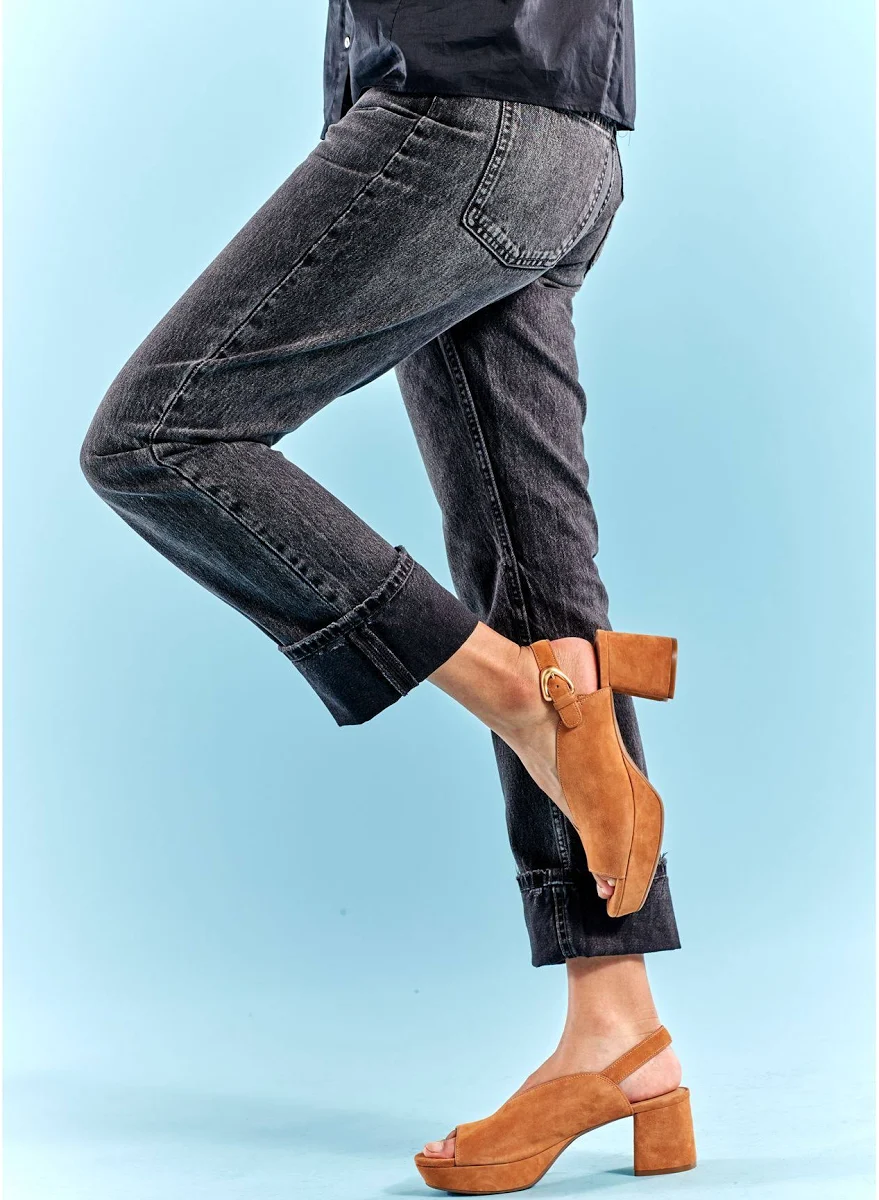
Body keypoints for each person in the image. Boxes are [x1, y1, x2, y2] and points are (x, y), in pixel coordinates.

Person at [80, 1, 696, 1190]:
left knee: (157, 437)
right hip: (570, 137)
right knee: (537, 571)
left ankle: (521, 696)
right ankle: (622, 1029)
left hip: (459, 109)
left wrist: (511, 690)